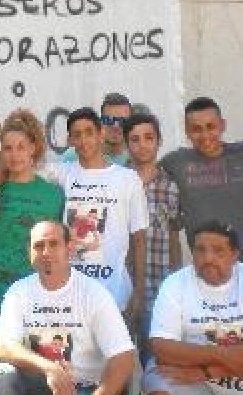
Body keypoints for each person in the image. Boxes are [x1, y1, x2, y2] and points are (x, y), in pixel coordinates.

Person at [0, 110, 65, 395]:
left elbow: (57, 250)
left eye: (21, 146)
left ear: (34, 147)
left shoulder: (53, 195)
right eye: (7, 148)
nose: (14, 154)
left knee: (31, 373)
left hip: (30, 297)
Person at [0, 221, 137, 395]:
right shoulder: (18, 292)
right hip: (34, 383)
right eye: (38, 246)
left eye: (53, 244)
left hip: (82, 387)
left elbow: (123, 357)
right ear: (29, 253)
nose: (46, 252)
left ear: (69, 248)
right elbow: (4, 346)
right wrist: (50, 368)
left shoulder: (94, 294)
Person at [142, 221, 243, 395]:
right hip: (193, 374)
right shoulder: (174, 283)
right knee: (159, 384)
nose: (208, 258)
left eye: (218, 250)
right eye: (200, 250)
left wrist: (207, 372)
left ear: (234, 255)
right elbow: (162, 348)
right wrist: (223, 355)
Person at [56, 108, 148, 332]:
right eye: (76, 134)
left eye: (89, 132)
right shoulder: (61, 173)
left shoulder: (127, 178)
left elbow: (139, 239)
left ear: (101, 134)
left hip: (115, 295)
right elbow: (21, 163)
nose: (83, 139)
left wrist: (139, 292)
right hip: (71, 296)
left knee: (117, 363)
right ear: (70, 140)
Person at [160, 98, 243, 269]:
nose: (205, 135)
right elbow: (143, 171)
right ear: (187, 131)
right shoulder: (175, 163)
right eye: (196, 129)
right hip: (208, 270)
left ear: (223, 125)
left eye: (211, 126)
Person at [124, 112, 183, 365]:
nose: (142, 144)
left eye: (149, 137)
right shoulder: (117, 181)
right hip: (122, 287)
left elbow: (173, 237)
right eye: (135, 139)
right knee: (118, 364)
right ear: (127, 144)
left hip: (158, 285)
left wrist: (177, 282)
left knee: (155, 364)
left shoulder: (170, 185)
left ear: (159, 141)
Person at [60, 93, 144, 166]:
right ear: (100, 122)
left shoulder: (139, 158)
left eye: (122, 121)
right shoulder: (73, 156)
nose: (115, 126)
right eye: (109, 120)